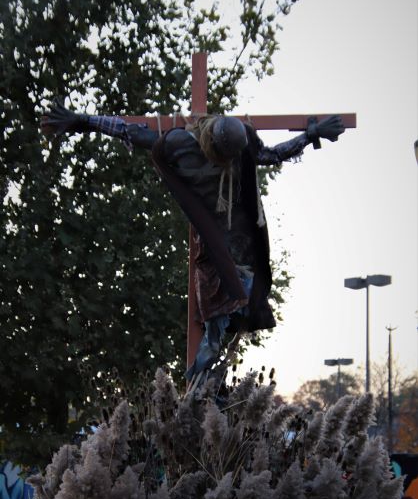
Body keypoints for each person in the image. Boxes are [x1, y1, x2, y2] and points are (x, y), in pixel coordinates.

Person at [41, 101, 345, 380]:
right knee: (221, 310)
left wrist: (311, 134)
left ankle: (209, 377)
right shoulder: (179, 145)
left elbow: (271, 154)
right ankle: (202, 377)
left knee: (245, 302)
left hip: (237, 242)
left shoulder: (237, 150)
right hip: (213, 244)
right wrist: (83, 121)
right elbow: (128, 131)